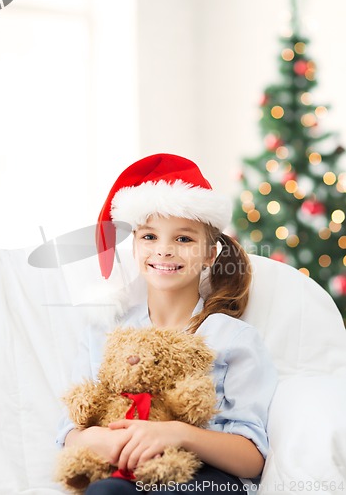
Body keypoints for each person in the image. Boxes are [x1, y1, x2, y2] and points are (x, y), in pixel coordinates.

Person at [56, 153, 278, 494]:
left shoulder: (231, 338)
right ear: (134, 246)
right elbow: (69, 432)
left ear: (209, 254)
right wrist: (96, 438)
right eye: (149, 237)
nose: (164, 250)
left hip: (202, 479)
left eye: (183, 239)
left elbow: (252, 457)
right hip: (124, 475)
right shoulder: (105, 331)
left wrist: (176, 433)